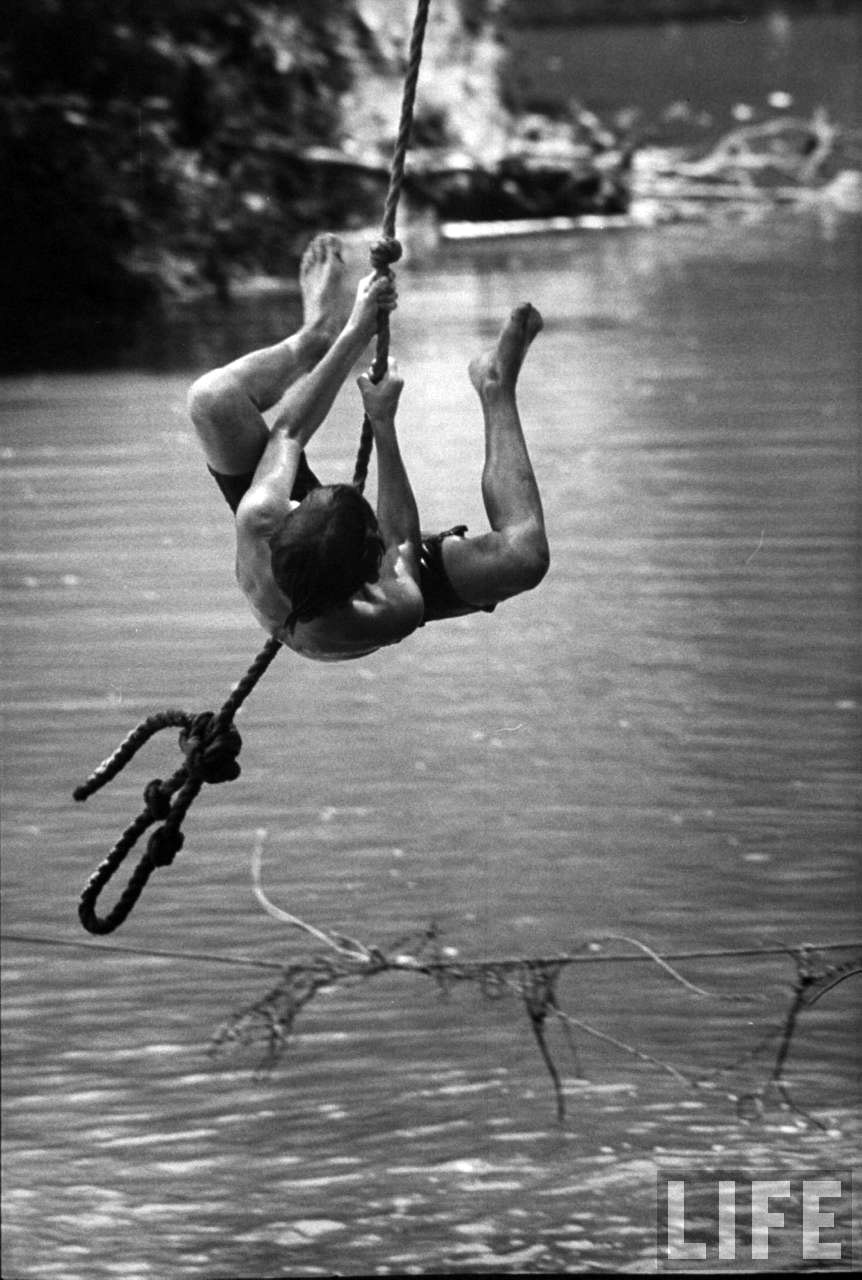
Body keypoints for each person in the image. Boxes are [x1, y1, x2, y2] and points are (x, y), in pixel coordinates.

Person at [187, 233, 549, 662]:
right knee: (525, 556)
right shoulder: (392, 609)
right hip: (343, 610)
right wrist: (383, 422)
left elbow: (289, 432)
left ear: (288, 522)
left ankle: (313, 336)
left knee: (212, 398)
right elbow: (399, 540)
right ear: (369, 569)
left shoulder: (261, 516)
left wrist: (356, 330)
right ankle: (496, 385)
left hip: (321, 560)